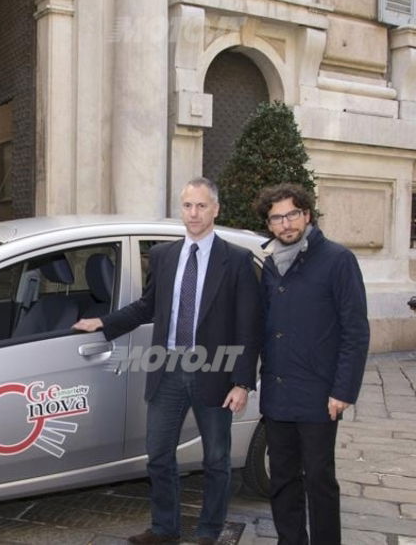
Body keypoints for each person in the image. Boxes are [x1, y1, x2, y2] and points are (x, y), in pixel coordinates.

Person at [74, 178, 262, 545]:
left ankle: (209, 532)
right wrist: (105, 322)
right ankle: (164, 529)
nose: (193, 214)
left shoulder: (236, 261)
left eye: (201, 206)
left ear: (215, 210)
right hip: (167, 368)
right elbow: (147, 305)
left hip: (215, 372)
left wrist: (242, 382)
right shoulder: (163, 256)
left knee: (217, 461)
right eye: (188, 206)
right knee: (158, 456)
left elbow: (248, 325)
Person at [253, 183, 369, 545]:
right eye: (276, 218)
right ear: (269, 224)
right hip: (278, 392)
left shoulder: (338, 260)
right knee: (283, 477)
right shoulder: (270, 264)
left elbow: (355, 330)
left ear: (306, 215)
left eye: (291, 214)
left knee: (319, 478)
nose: (285, 224)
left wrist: (343, 390)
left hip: (320, 395)